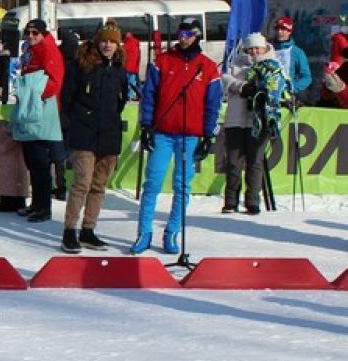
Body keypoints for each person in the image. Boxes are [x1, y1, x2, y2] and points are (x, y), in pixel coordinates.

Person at [130, 18, 223, 254]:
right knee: (152, 183)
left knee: (182, 186)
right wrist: (146, 125)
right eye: (181, 33)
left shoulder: (208, 67)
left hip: (189, 135)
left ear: (197, 36)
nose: (183, 38)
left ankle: (172, 232)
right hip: (163, 132)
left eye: (189, 34)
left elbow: (212, 105)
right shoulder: (162, 61)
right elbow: (149, 94)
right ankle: (144, 232)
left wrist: (208, 135)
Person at [59, 21, 127, 252]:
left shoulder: (119, 69)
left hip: (108, 135)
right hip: (84, 133)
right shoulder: (81, 65)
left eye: (112, 42)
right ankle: (70, 230)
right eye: (104, 41)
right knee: (82, 183)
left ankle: (88, 229)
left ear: (118, 45)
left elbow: (121, 101)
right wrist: (73, 122)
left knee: (99, 186)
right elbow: (67, 97)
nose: (107, 45)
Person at [221, 32, 289, 215]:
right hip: (235, 119)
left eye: (256, 48)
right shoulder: (236, 63)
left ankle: (252, 201)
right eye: (250, 49)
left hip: (259, 121)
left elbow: (282, 85)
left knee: (255, 161)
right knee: (234, 162)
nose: (253, 52)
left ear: (264, 47)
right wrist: (241, 87)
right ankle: (230, 201)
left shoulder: (273, 65)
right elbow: (225, 79)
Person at [11, 18, 64, 223]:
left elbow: (54, 81)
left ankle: (44, 207)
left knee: (40, 161)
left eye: (35, 33)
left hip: (41, 111)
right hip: (31, 108)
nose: (31, 36)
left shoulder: (49, 51)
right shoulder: (32, 51)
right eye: (28, 33)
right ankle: (36, 203)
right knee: (32, 160)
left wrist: (34, 95)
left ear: (43, 34)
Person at [271, 16, 312, 105]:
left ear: (289, 31)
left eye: (283, 29)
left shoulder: (297, 52)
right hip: (268, 94)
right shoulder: (267, 48)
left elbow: (306, 77)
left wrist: (292, 87)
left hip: (287, 97)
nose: (279, 32)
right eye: (277, 29)